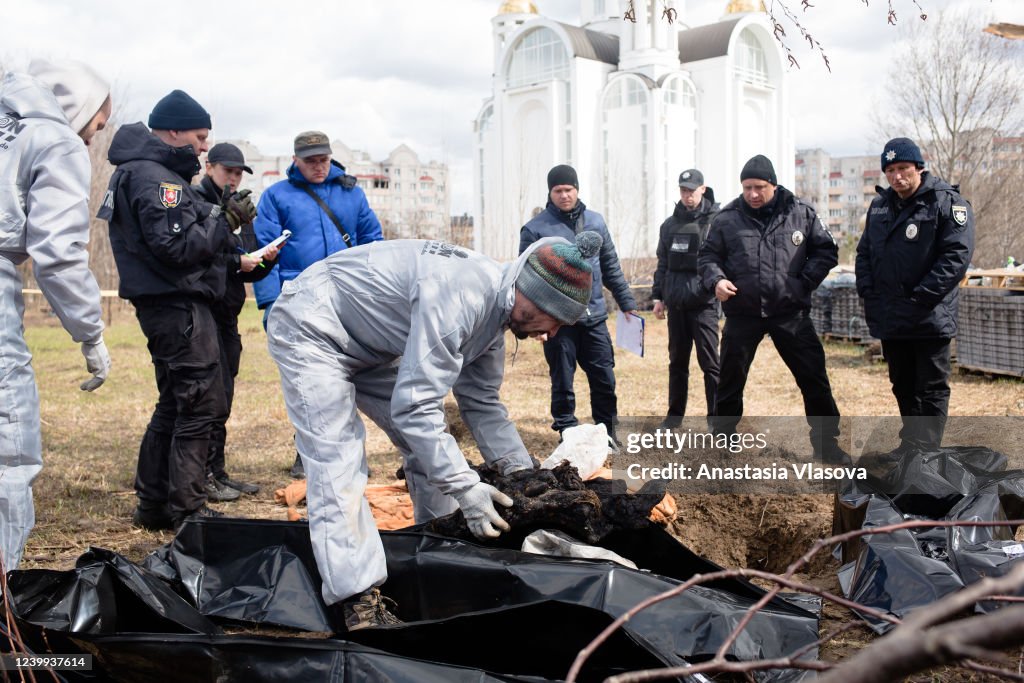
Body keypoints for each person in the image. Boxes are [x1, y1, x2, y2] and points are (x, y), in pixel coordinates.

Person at [266, 232, 602, 630]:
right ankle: (357, 600)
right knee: (337, 459)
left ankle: (436, 551)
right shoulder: (462, 297)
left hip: (372, 343)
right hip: (314, 323)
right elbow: (414, 407)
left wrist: (521, 475)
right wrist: (465, 488)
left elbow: (482, 403)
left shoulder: (497, 314)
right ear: (533, 298)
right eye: (555, 321)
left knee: (430, 449)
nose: (552, 335)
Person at [100, 90, 260, 531]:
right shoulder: (157, 180)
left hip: (168, 305)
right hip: (178, 306)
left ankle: (154, 505)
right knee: (198, 405)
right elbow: (177, 247)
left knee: (173, 403)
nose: (205, 146)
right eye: (200, 136)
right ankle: (187, 511)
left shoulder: (144, 172)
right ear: (173, 131)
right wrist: (224, 221)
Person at [0, 59, 112, 570]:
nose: (93, 139)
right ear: (78, 109)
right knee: (9, 445)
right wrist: (90, 331)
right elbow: (58, 253)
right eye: (96, 127)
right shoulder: (53, 140)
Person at [253, 130, 383, 479]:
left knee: (353, 376)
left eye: (323, 159)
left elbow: (373, 242)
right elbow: (266, 250)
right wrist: (270, 302)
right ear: (295, 160)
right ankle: (306, 452)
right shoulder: (275, 197)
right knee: (308, 378)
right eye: (311, 161)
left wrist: (373, 294)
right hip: (298, 300)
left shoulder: (351, 194)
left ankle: (351, 453)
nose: (319, 166)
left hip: (347, 298)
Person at [699, 155, 846, 460]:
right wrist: (716, 281)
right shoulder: (727, 219)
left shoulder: (800, 213)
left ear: (774, 186)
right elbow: (708, 257)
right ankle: (723, 444)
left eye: (760, 187)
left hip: (790, 313)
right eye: (747, 187)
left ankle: (827, 445)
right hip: (743, 312)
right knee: (729, 380)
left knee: (813, 377)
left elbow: (826, 250)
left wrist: (802, 282)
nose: (753, 194)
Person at [856, 137, 974, 453]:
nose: (897, 176)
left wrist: (922, 296)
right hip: (892, 315)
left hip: (928, 315)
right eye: (890, 170)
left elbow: (956, 256)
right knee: (903, 384)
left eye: (903, 168)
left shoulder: (946, 202)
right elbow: (864, 253)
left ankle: (928, 452)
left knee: (931, 387)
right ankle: (912, 444)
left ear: (918, 167)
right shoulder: (880, 207)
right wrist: (868, 290)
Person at [518, 164, 636, 444]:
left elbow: (610, 265)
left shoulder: (596, 222)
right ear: (550, 192)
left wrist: (627, 302)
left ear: (577, 190)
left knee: (604, 379)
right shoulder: (536, 229)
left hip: (594, 317)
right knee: (562, 383)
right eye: (558, 190)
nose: (564, 195)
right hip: (558, 324)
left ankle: (609, 434)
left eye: (568, 189)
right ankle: (567, 432)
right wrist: (537, 324)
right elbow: (525, 279)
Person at [194, 143, 280, 501]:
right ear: (209, 166)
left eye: (238, 173)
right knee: (208, 399)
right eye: (228, 171)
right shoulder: (196, 204)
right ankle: (202, 475)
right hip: (202, 313)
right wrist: (236, 263)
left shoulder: (240, 207)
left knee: (224, 396)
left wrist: (266, 259)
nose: (233, 178)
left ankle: (218, 471)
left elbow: (243, 263)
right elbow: (195, 256)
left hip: (229, 312)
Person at [651, 168, 721, 426]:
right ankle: (674, 416)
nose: (687, 195)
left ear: (703, 189)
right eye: (683, 190)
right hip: (677, 305)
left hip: (704, 305)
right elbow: (663, 263)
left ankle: (716, 418)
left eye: (692, 190)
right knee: (677, 363)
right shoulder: (669, 226)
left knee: (711, 364)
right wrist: (658, 297)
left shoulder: (716, 222)